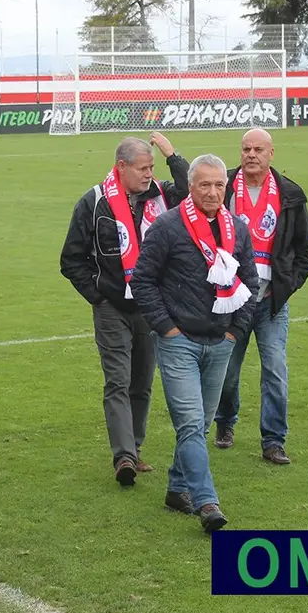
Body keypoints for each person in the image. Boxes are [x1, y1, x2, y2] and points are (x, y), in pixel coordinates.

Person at [130, 153, 259, 533]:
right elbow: (142, 281)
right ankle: (207, 502)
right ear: (190, 186)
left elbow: (251, 285)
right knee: (190, 424)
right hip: (178, 343)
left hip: (221, 341)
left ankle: (176, 488)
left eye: (219, 185)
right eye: (205, 184)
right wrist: (167, 328)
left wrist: (235, 332)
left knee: (199, 426)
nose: (213, 192)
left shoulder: (238, 228)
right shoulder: (168, 227)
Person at [60, 132, 189, 486]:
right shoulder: (94, 202)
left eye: (151, 167)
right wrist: (99, 295)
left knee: (143, 382)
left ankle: (135, 446)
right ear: (121, 167)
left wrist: (171, 155)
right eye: (143, 168)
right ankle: (124, 457)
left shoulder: (160, 195)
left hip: (151, 306)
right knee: (118, 380)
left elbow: (190, 189)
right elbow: (71, 259)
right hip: (112, 308)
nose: (149, 174)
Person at [213, 129, 308, 466]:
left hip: (272, 301)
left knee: (274, 369)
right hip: (232, 300)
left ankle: (273, 440)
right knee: (228, 371)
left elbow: (305, 250)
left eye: (258, 149)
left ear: (272, 153)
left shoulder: (290, 194)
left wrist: (287, 285)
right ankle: (225, 422)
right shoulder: (223, 187)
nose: (251, 154)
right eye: (246, 148)